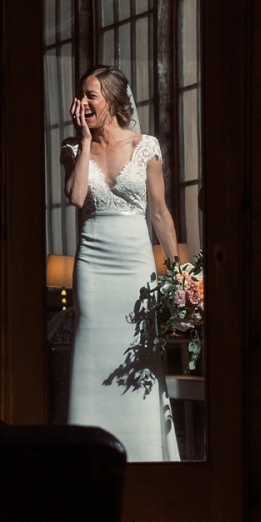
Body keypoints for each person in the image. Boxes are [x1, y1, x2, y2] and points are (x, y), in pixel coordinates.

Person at [62, 66, 179, 462]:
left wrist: (178, 272)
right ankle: (88, 456)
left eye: (90, 95)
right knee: (93, 350)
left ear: (112, 99)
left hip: (135, 266)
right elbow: (77, 198)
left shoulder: (146, 147)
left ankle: (144, 454)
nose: (82, 103)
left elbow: (160, 214)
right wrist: (81, 139)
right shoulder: (73, 149)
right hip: (93, 265)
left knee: (140, 352)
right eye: (80, 95)